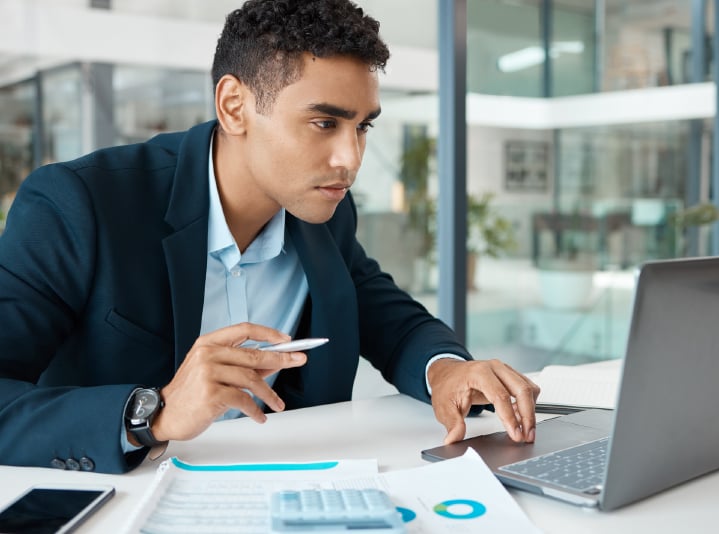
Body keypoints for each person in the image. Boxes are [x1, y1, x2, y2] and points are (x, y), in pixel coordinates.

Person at [0, 0, 539, 474]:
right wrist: (153, 410)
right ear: (234, 106)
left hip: (297, 487)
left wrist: (446, 371)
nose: (350, 160)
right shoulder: (79, 204)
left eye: (363, 127)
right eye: (325, 123)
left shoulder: (322, 209)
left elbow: (392, 322)